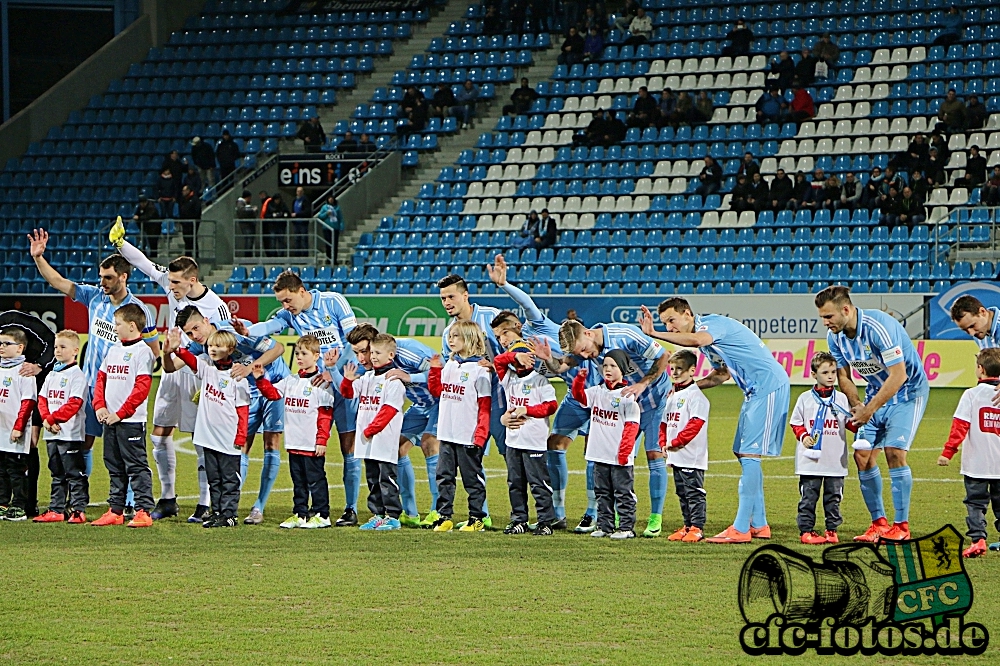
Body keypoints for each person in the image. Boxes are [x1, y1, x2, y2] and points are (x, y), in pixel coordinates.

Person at [30, 230, 159, 515]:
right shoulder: (94, 297)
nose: (102, 282)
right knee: (81, 444)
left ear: (124, 277)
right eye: (101, 277)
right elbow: (58, 282)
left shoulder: (139, 312)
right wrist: (39, 258)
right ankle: (78, 503)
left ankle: (128, 505)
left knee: (125, 452)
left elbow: (152, 352)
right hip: (91, 388)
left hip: (121, 392)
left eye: (108, 277)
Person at [642, 298, 790, 544]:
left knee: (749, 454)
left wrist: (653, 333)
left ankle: (741, 528)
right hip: (755, 391)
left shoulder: (712, 326)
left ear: (688, 314)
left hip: (768, 386)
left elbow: (697, 341)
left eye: (671, 321)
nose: (669, 327)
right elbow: (721, 374)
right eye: (664, 324)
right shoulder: (710, 343)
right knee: (742, 453)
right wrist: (686, 389)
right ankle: (759, 524)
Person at [110, 219, 230, 521]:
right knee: (159, 434)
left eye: (176, 283)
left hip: (197, 373)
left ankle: (205, 502)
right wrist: (121, 244)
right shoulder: (170, 284)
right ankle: (167, 498)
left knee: (200, 438)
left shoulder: (216, 306)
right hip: (171, 368)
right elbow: (145, 265)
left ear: (192, 280)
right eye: (170, 282)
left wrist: (214, 376)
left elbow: (227, 342)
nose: (170, 286)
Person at [245, 271, 360, 526]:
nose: (285, 307)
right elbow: (269, 326)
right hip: (314, 386)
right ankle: (304, 510)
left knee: (348, 447)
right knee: (307, 450)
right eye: (281, 303)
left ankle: (350, 509)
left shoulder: (333, 302)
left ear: (301, 291)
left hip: (341, 383)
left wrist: (334, 372)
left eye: (288, 301)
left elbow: (354, 340)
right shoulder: (289, 314)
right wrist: (247, 329)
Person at [816, 285, 928, 542]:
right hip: (876, 393)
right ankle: (878, 523)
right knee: (862, 456)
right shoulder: (835, 337)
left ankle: (901, 526)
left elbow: (899, 375)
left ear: (846, 309)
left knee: (894, 453)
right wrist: (856, 404)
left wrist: (870, 409)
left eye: (829, 316)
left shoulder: (879, 327)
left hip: (908, 392)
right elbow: (843, 376)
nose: (825, 322)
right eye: (822, 317)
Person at [488, 255, 580, 530]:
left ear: (516, 327)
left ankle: (585, 513)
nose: (502, 342)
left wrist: (505, 285)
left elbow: (527, 304)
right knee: (555, 448)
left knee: (604, 456)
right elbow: (504, 363)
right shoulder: (517, 364)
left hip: (591, 386)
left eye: (504, 335)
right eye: (499, 339)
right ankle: (554, 515)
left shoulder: (536, 327)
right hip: (571, 392)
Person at [557, 317, 671, 538]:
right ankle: (609, 520)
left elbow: (663, 355)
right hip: (623, 400)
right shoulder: (591, 350)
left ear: (588, 334)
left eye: (583, 350)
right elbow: (564, 367)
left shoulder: (625, 335)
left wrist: (642, 384)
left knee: (654, 454)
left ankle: (655, 517)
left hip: (654, 399)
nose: (584, 356)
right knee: (611, 458)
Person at [174, 305, 287, 525]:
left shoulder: (234, 331)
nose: (194, 336)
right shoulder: (202, 346)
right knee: (239, 450)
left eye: (195, 329)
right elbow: (172, 365)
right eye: (189, 333)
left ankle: (258, 507)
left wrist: (250, 366)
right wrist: (171, 349)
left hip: (273, 385)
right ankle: (226, 510)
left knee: (271, 445)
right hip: (244, 391)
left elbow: (278, 348)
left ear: (206, 320)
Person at [332, 324, 439, 528]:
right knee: (396, 450)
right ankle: (410, 512)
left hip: (439, 400)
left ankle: (437, 511)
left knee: (429, 444)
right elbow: (350, 390)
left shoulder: (407, 350)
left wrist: (409, 377)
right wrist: (333, 371)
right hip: (419, 404)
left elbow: (440, 371)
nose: (363, 359)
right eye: (358, 354)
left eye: (366, 351)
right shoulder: (371, 369)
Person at [163, 327, 249, 528]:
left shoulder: (238, 378)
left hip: (228, 438)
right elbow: (192, 361)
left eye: (218, 346)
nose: (212, 349)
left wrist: (241, 437)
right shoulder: (208, 370)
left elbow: (243, 411)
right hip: (207, 437)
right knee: (214, 478)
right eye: (210, 345)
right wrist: (177, 349)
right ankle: (217, 511)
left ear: (230, 349)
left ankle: (230, 514)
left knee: (229, 479)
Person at [253, 335, 333, 529]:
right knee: (298, 481)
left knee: (316, 480)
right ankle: (300, 514)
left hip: (311, 443)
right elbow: (272, 394)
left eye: (304, 353)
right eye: (297, 353)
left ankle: (322, 515)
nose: (299, 357)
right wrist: (260, 379)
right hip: (294, 443)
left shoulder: (321, 383)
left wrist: (321, 440)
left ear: (316, 356)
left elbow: (325, 415)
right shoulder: (291, 380)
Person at [90, 304, 156, 528]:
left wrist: (121, 413)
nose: (115, 328)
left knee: (136, 466)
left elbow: (142, 387)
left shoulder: (143, 352)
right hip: (110, 419)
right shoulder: (113, 349)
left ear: (131, 325)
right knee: (114, 465)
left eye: (118, 324)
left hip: (131, 421)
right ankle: (116, 510)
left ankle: (143, 511)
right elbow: (101, 379)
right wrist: (99, 406)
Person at [426, 322, 492, 533]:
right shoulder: (451, 365)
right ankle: (445, 516)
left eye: (456, 336)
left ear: (470, 339)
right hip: (447, 433)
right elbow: (438, 391)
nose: (450, 340)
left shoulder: (480, 370)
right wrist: (435, 370)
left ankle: (477, 518)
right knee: (444, 477)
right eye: (450, 336)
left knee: (472, 479)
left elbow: (485, 406)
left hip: (468, 436)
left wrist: (480, 436)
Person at [336, 334, 406, 532]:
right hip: (367, 441)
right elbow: (348, 394)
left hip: (383, 438)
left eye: (377, 353)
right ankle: (378, 514)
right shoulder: (367, 377)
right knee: (373, 478)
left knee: (387, 478)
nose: (373, 357)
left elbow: (389, 410)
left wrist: (370, 429)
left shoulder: (393, 379)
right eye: (372, 352)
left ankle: (393, 516)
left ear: (390, 355)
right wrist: (348, 381)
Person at [938, 347, 1000, 558]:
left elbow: (960, 426)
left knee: (975, 503)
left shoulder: (972, 395)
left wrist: (948, 452)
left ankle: (978, 539)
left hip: (977, 464)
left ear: (980, 369)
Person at [572, 351, 641, 539]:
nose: (608, 369)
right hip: (598, 453)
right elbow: (580, 397)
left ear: (623, 370)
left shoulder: (628, 396)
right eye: (606, 365)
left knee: (623, 492)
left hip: (619, 456)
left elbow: (632, 426)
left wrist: (624, 452)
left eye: (613, 366)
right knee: (602, 492)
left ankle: (626, 527)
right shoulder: (597, 391)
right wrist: (579, 379)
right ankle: (605, 526)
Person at [494, 338, 558, 536]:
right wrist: (514, 355)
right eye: (517, 358)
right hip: (513, 440)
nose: (520, 363)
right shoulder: (509, 378)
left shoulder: (540, 380)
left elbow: (551, 406)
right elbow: (498, 360)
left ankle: (545, 521)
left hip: (534, 442)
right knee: (515, 483)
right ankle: (519, 520)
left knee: (539, 484)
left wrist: (527, 410)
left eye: (525, 357)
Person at [789, 352, 853, 545]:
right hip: (810, 460)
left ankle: (831, 530)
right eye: (825, 372)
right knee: (808, 497)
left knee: (834, 497)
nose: (831, 376)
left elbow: (851, 423)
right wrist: (804, 436)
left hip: (835, 460)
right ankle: (806, 531)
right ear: (814, 374)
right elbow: (796, 422)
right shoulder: (804, 398)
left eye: (833, 372)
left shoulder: (842, 399)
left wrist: (863, 418)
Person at [33, 330, 89, 524]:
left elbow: (74, 403)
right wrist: (48, 419)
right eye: (56, 346)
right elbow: (42, 399)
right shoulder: (52, 374)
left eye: (62, 347)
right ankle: (56, 509)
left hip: (70, 434)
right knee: (56, 472)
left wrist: (53, 419)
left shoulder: (77, 375)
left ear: (75, 350)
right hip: (52, 433)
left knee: (74, 473)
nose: (57, 350)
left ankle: (78, 510)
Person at [659, 350, 710, 544]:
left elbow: (695, 424)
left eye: (680, 369)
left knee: (694, 492)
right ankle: (687, 525)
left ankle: (697, 527)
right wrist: (663, 442)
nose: (675, 372)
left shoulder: (696, 397)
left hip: (691, 455)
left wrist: (676, 442)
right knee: (681, 492)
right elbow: (664, 423)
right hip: (675, 454)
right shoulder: (673, 395)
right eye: (672, 369)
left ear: (692, 370)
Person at [0, 327, 37, 522]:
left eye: (7, 343)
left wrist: (19, 427)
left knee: (16, 470)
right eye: (0, 343)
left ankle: (19, 506)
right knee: (1, 470)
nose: (2, 347)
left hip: (14, 431)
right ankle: (3, 502)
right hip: (0, 429)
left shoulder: (25, 372)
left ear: (20, 347)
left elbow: (28, 402)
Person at [316, 194, 343, 263]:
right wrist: (326, 214)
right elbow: (320, 216)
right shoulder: (324, 207)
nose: (330, 200)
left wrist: (341, 226)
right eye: (329, 198)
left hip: (335, 228)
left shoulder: (337, 208)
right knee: (328, 244)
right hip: (327, 228)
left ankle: (334, 259)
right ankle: (328, 258)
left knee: (335, 244)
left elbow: (340, 218)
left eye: (332, 198)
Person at [177, 185, 200, 257]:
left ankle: (196, 255)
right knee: (186, 240)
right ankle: (188, 256)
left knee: (192, 239)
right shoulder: (183, 200)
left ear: (188, 190)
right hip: (185, 223)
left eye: (184, 190)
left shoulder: (195, 199)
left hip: (192, 223)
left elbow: (197, 211)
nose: (183, 192)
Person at [235, 189, 259, 256]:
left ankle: (249, 255)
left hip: (249, 225)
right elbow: (242, 212)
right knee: (248, 240)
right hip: (246, 225)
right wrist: (252, 210)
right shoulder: (240, 203)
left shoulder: (245, 204)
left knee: (250, 240)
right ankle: (247, 255)